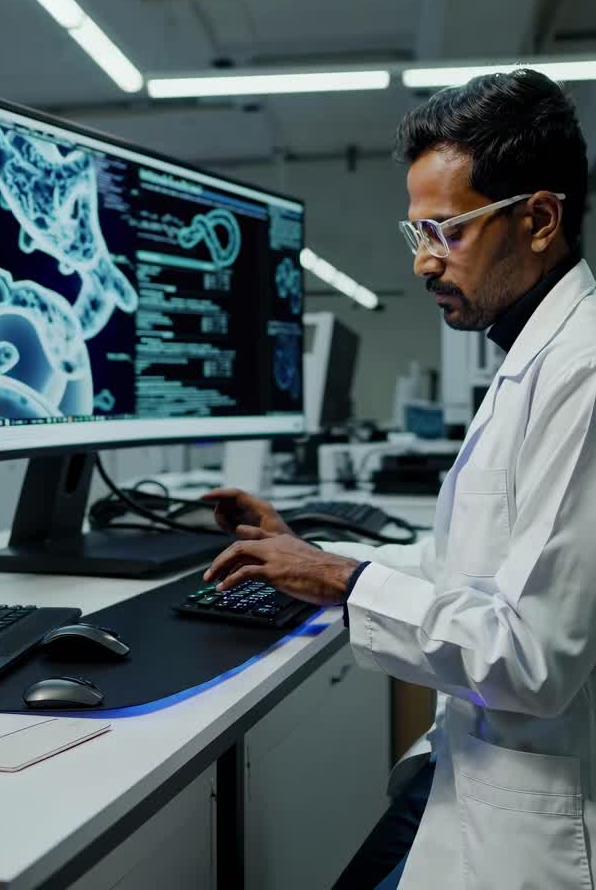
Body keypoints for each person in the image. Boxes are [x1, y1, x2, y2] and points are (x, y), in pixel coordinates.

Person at [204, 69, 595, 890]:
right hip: (474, 768)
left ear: (539, 219)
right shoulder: (539, 358)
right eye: (415, 232)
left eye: (447, 232)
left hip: (537, 812)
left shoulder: (583, 376)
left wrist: (344, 579)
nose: (423, 262)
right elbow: (482, 571)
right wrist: (309, 553)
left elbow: (532, 659)